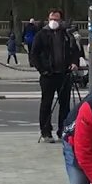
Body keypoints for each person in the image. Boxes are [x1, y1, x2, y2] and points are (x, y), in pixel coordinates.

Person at [31, 8, 83, 144]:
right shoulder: (41, 34)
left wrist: (74, 63)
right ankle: (46, 132)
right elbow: (34, 54)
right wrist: (42, 70)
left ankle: (63, 131)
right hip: (48, 75)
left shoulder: (66, 34)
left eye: (56, 19)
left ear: (61, 20)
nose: (54, 21)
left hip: (64, 75)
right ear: (48, 19)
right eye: (51, 19)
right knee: (46, 104)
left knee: (65, 105)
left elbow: (75, 51)